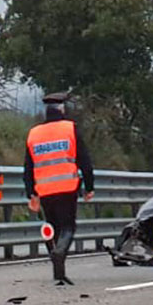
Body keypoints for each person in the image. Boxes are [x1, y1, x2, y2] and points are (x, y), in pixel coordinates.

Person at [24, 91, 95, 285]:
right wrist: (89, 187)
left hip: (45, 190)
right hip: (67, 187)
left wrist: (31, 193)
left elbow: (28, 167)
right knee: (68, 227)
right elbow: (85, 161)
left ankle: (58, 271)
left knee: (53, 227)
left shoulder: (34, 133)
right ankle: (60, 251)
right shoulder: (70, 128)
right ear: (62, 109)